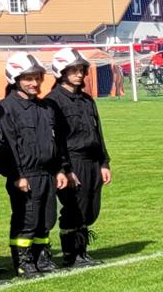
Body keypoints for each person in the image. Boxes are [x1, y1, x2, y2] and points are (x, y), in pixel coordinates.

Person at [0, 52, 70, 277]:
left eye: (37, 78)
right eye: (28, 78)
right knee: (27, 218)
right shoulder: (6, 108)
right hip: (25, 174)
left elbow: (54, 142)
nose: (34, 83)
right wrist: (17, 175)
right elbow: (6, 147)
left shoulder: (46, 108)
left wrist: (59, 170)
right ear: (15, 78)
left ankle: (41, 256)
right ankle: (23, 260)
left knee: (46, 218)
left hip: (47, 173)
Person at [45, 48, 113, 268]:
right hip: (73, 160)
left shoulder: (86, 100)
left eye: (81, 70)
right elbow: (56, 140)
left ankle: (82, 251)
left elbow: (98, 132)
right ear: (61, 71)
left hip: (92, 160)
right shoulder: (53, 101)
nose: (79, 74)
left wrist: (104, 162)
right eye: (73, 70)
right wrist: (65, 168)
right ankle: (71, 254)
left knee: (91, 209)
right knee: (74, 207)